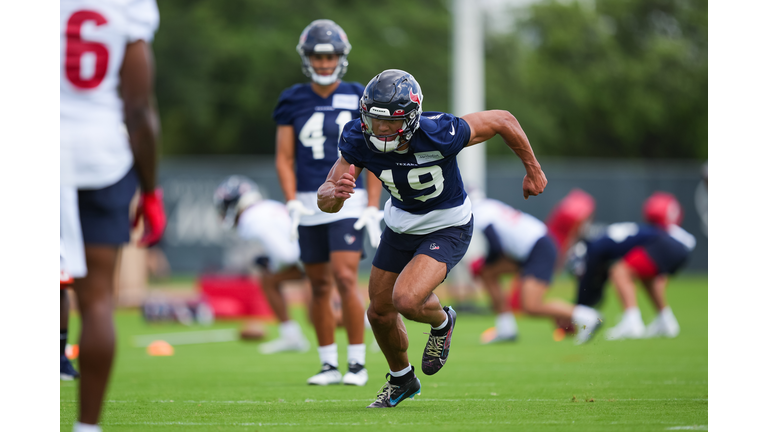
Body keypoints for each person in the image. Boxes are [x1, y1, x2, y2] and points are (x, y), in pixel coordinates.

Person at [317, 69, 548, 408]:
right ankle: (402, 380)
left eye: (391, 121)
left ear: (411, 117)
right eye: (375, 119)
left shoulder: (440, 131)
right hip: (399, 225)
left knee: (407, 300)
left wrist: (534, 169)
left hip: (447, 224)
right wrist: (334, 194)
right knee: (379, 312)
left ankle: (442, 321)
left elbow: (502, 119)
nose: (381, 129)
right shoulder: (356, 137)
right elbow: (327, 201)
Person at [60, 1, 166, 430]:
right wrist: (150, 191)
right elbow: (138, 109)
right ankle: (88, 426)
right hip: (99, 156)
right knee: (98, 300)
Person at [273, 19, 382, 386]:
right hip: (307, 200)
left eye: (330, 55)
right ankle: (327, 364)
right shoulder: (292, 98)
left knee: (345, 276)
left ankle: (356, 362)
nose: (323, 63)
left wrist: (372, 203)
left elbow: (374, 151)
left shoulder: (358, 94)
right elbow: (284, 157)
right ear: (307, 58)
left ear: (341, 57)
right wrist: (290, 201)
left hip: (348, 198)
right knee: (317, 284)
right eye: (317, 56)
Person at [469, 194, 602, 345]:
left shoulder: (478, 212)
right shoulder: (488, 205)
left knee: (532, 305)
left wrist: (485, 262)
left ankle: (587, 316)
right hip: (529, 247)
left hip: (538, 248)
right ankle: (506, 329)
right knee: (487, 273)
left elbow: (496, 246)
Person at [571, 192, 695, 340]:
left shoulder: (594, 249)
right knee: (646, 277)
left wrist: (579, 305)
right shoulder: (603, 239)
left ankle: (632, 322)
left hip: (663, 244)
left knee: (619, 272)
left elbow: (589, 278)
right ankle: (666, 321)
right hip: (676, 247)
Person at [213, 175, 311, 354]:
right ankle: (291, 336)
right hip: (317, 254)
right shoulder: (268, 206)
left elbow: (286, 256)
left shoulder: (251, 219)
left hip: (313, 260)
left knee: (315, 312)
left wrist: (270, 264)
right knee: (270, 280)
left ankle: (292, 337)